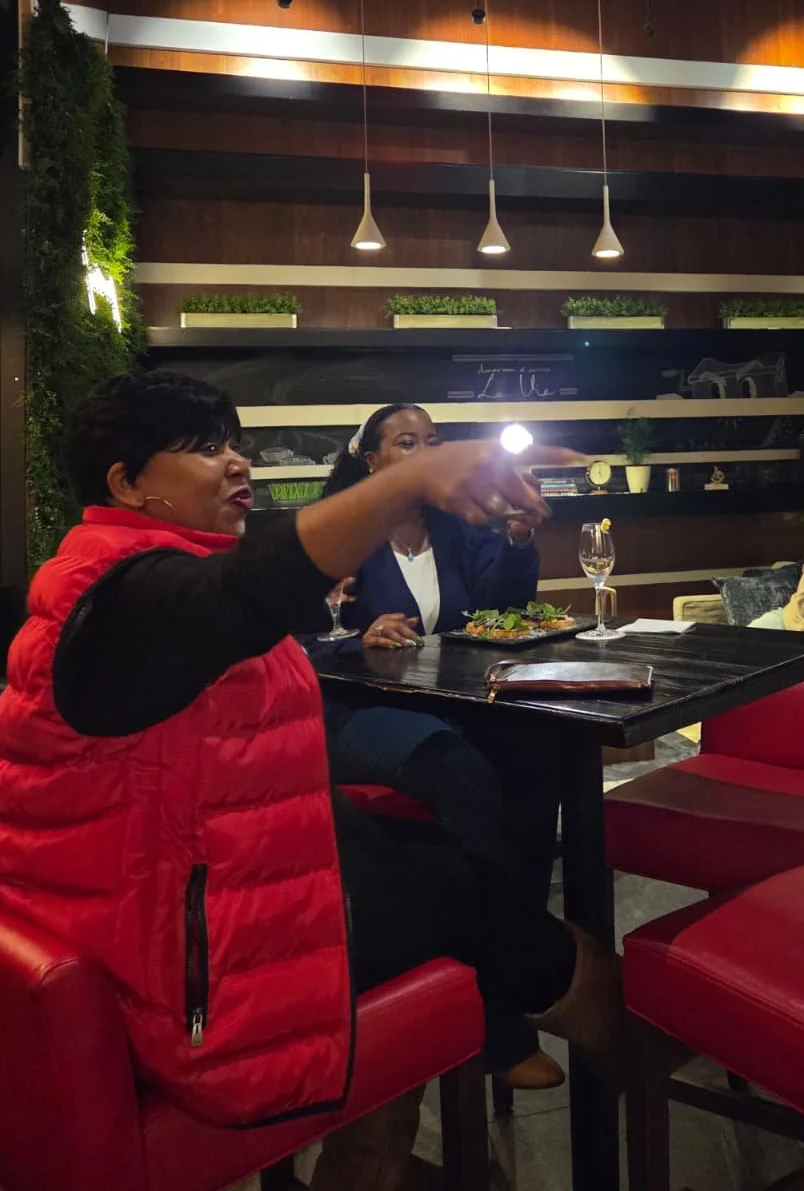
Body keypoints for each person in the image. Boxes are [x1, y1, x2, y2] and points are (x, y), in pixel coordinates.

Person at [0, 370, 614, 1191]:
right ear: (126, 483)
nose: (238, 462)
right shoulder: (124, 595)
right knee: (485, 910)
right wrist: (409, 481)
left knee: (456, 861)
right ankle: (643, 1049)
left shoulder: (125, 575)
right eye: (206, 448)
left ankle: (391, 1143)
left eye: (235, 443)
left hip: (189, 892)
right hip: (176, 965)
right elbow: (249, 590)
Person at [316, 403, 564, 1091]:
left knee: (538, 755)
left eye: (432, 440)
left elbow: (497, 607)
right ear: (370, 460)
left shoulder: (455, 525)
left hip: (442, 702)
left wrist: (517, 538)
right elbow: (289, 636)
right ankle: (499, 1021)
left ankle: (515, 950)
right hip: (351, 711)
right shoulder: (339, 528)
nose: (425, 451)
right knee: (464, 775)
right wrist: (354, 638)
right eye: (407, 442)